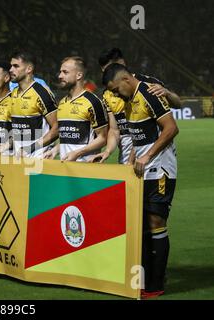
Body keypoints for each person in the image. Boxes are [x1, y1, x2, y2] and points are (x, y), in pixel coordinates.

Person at [103, 63, 179, 299]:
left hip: (161, 170)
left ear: (126, 79)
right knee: (142, 225)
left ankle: (156, 285)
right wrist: (133, 159)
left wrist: (147, 155)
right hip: (141, 170)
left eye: (116, 89)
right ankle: (144, 281)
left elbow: (171, 128)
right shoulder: (127, 102)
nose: (115, 95)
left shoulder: (148, 93)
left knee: (156, 222)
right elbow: (138, 137)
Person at [94, 48, 182, 163]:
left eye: (110, 69)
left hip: (152, 151)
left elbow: (177, 105)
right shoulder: (108, 93)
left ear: (121, 64)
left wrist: (168, 93)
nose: (107, 74)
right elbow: (115, 129)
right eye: (104, 71)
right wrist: (108, 151)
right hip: (128, 151)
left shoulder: (148, 84)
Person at [44, 57, 108, 161]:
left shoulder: (92, 101)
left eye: (65, 72)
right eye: (60, 72)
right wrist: (55, 150)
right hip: (65, 168)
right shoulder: (62, 103)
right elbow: (69, 137)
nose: (60, 76)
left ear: (79, 75)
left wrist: (78, 153)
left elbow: (103, 138)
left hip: (86, 170)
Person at [9, 51, 58, 158]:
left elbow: (57, 128)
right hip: (18, 158)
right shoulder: (13, 94)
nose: (11, 70)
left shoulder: (42, 93)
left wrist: (29, 149)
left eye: (16, 66)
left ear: (29, 69)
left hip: (39, 159)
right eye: (11, 66)